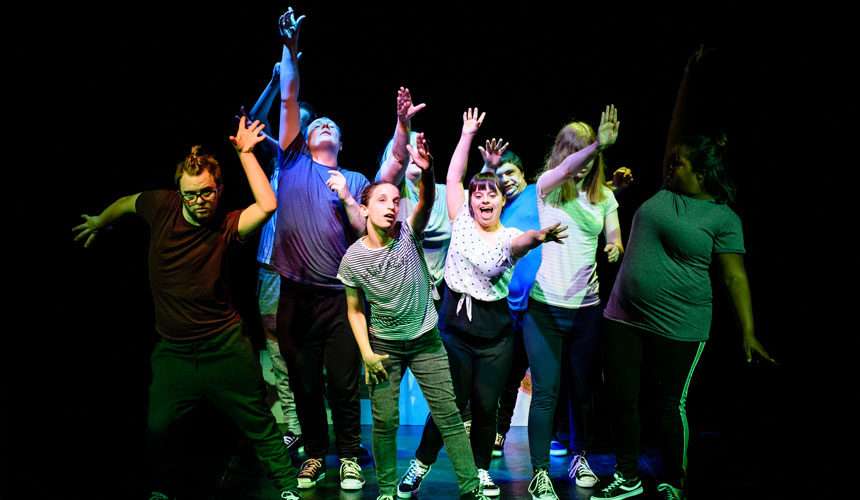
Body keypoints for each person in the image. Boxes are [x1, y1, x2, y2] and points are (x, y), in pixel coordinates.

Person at [73, 118, 301, 500]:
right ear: (178, 192)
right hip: (174, 355)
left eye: (206, 192)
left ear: (218, 190)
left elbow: (268, 205)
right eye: (190, 195)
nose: (199, 201)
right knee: (158, 429)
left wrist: (246, 154)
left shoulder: (227, 226)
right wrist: (100, 221)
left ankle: (289, 489)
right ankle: (162, 490)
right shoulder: (160, 205)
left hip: (225, 349)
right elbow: (127, 202)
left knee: (259, 424)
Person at [593, 50, 776, 500]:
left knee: (667, 405)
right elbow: (676, 129)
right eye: (672, 161)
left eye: (680, 163)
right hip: (623, 317)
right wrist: (688, 77)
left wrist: (748, 332)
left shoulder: (723, 218)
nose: (672, 165)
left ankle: (674, 480)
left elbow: (734, 278)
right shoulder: (667, 189)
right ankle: (627, 477)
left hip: (679, 326)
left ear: (702, 173)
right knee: (620, 398)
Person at [400, 108, 568, 499]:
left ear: (501, 200)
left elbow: (521, 243)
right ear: (471, 201)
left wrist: (539, 236)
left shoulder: (509, 234)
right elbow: (454, 178)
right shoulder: (460, 220)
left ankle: (480, 471)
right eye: (479, 193)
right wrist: (466, 135)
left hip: (495, 333)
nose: (484, 198)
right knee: (450, 405)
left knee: (486, 406)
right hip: (456, 328)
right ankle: (421, 463)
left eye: (492, 193)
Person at [338, 134, 489, 500]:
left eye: (395, 200)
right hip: (384, 347)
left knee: (450, 416)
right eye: (381, 200)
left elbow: (427, 200)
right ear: (364, 209)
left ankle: (471, 488)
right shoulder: (353, 258)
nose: (391, 206)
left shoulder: (409, 232)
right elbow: (354, 310)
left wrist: (428, 171)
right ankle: (387, 490)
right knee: (385, 422)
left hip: (425, 342)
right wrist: (367, 353)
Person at [270, 8, 370, 491]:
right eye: (319, 124)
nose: (325, 125)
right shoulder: (291, 161)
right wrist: (290, 49)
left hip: (339, 297)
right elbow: (289, 96)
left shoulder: (355, 178)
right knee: (305, 382)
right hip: (295, 294)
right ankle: (314, 455)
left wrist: (349, 198)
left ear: (340, 142)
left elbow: (367, 228)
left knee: (344, 383)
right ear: (306, 137)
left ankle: (348, 455)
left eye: (333, 125)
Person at [523, 106, 623, 500]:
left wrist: (614, 248)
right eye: (575, 153)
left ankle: (579, 457)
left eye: (589, 156)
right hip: (544, 309)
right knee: (546, 391)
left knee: (582, 391)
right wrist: (597, 145)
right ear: (564, 153)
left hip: (586, 310)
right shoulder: (547, 186)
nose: (581, 163)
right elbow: (566, 171)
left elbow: (613, 237)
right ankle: (539, 472)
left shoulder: (605, 198)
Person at [245, 59, 317, 453]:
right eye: (291, 123)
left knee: (310, 346)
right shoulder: (275, 161)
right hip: (271, 266)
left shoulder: (318, 166)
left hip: (309, 270)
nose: (294, 131)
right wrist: (274, 82)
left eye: (302, 126)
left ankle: (315, 424)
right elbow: (254, 123)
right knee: (275, 343)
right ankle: (293, 423)